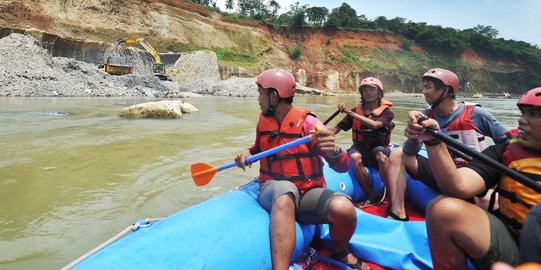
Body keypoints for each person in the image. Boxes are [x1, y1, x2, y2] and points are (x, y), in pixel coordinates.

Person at [235, 69, 369, 270]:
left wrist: (332, 149)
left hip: (307, 193)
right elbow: (257, 148)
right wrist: (246, 153)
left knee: (344, 208)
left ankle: (340, 251)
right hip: (273, 190)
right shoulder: (263, 121)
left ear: (273, 96)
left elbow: (343, 166)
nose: (258, 99)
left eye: (261, 93)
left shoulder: (309, 124)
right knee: (285, 191)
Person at [405, 87, 541, 269]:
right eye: (523, 113)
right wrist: (433, 140)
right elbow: (457, 186)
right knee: (443, 209)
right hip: (514, 239)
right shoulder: (506, 151)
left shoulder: (479, 115)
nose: (522, 121)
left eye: (533, 114)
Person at [385, 68, 508, 221]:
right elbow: (409, 151)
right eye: (424, 87)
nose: (424, 91)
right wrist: (413, 136)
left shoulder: (476, 114)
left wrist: (493, 183)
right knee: (398, 153)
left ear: (446, 90)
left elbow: (507, 145)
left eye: (428, 87)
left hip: (471, 177)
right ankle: (397, 213)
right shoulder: (425, 115)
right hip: (441, 174)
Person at [330, 77, 394, 207]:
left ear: (380, 93)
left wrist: (350, 113)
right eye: (364, 90)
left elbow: (375, 125)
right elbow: (336, 129)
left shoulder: (387, 113)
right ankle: (371, 196)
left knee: (381, 156)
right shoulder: (355, 111)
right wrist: (318, 130)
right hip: (360, 148)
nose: (368, 92)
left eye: (371, 89)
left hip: (378, 148)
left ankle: (393, 198)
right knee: (354, 156)